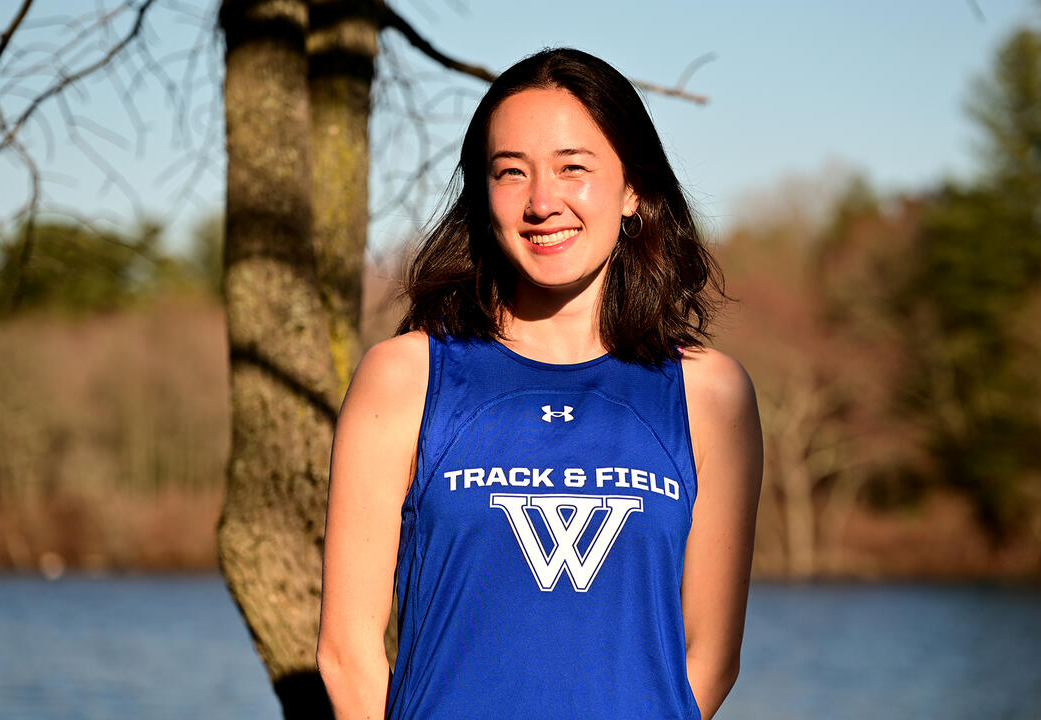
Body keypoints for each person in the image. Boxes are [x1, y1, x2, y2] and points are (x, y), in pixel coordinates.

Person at [317, 47, 762, 720]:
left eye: (573, 169)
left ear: (634, 189)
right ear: (483, 194)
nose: (542, 202)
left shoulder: (711, 396)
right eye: (510, 172)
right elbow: (347, 654)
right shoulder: (405, 377)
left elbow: (710, 656)